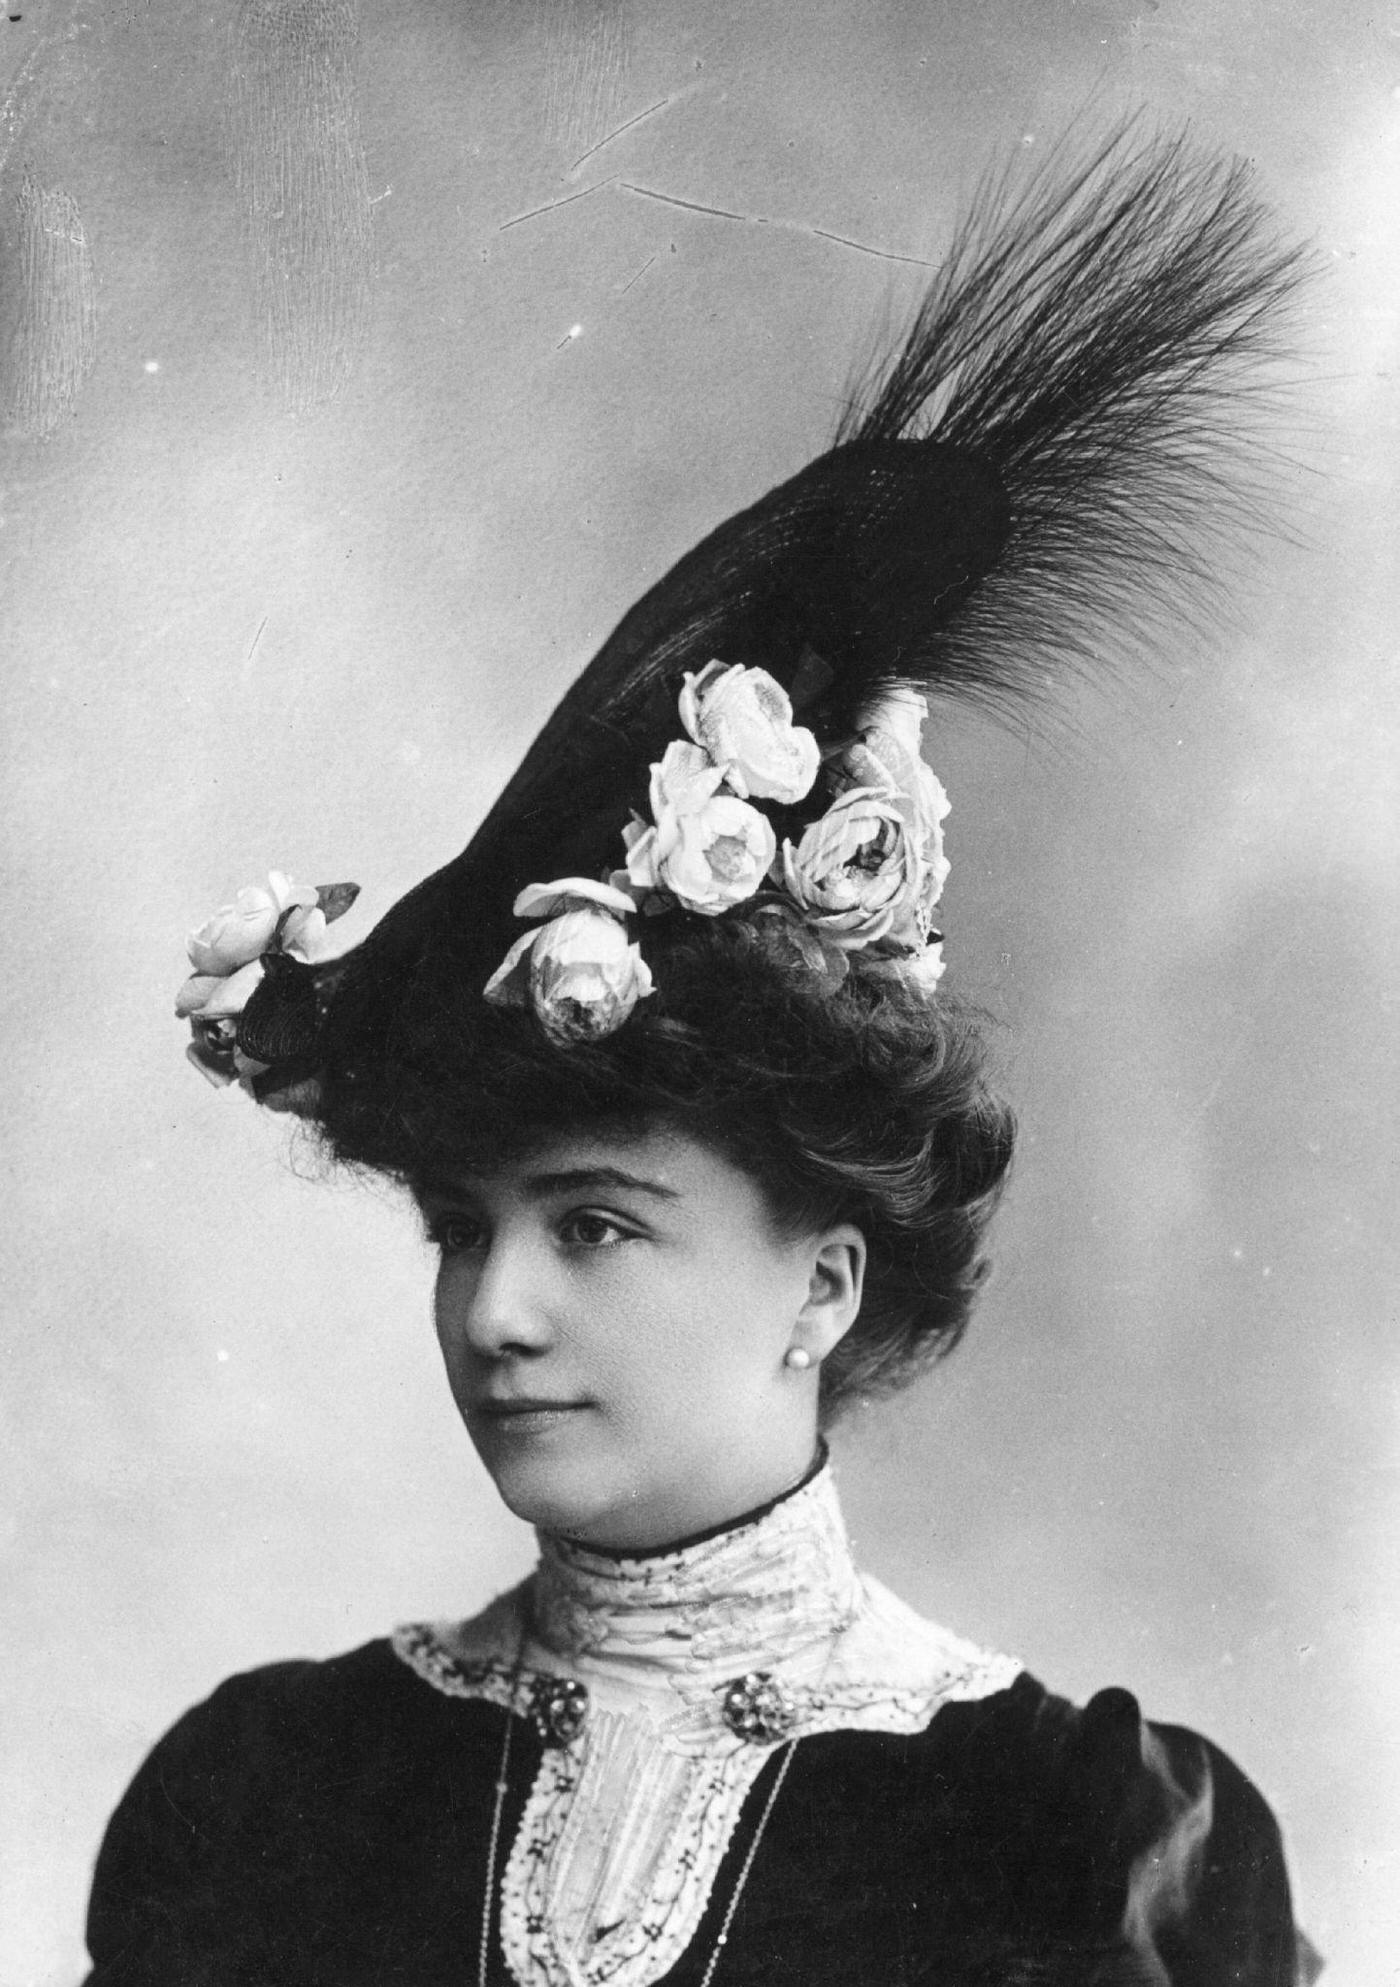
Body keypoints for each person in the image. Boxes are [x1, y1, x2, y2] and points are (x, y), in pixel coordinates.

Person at [85, 130, 1321, 1985]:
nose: (491, 1311)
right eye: (456, 1226)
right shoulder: (278, 1790)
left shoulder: (1088, 1846)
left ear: (824, 1282)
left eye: (590, 1225)